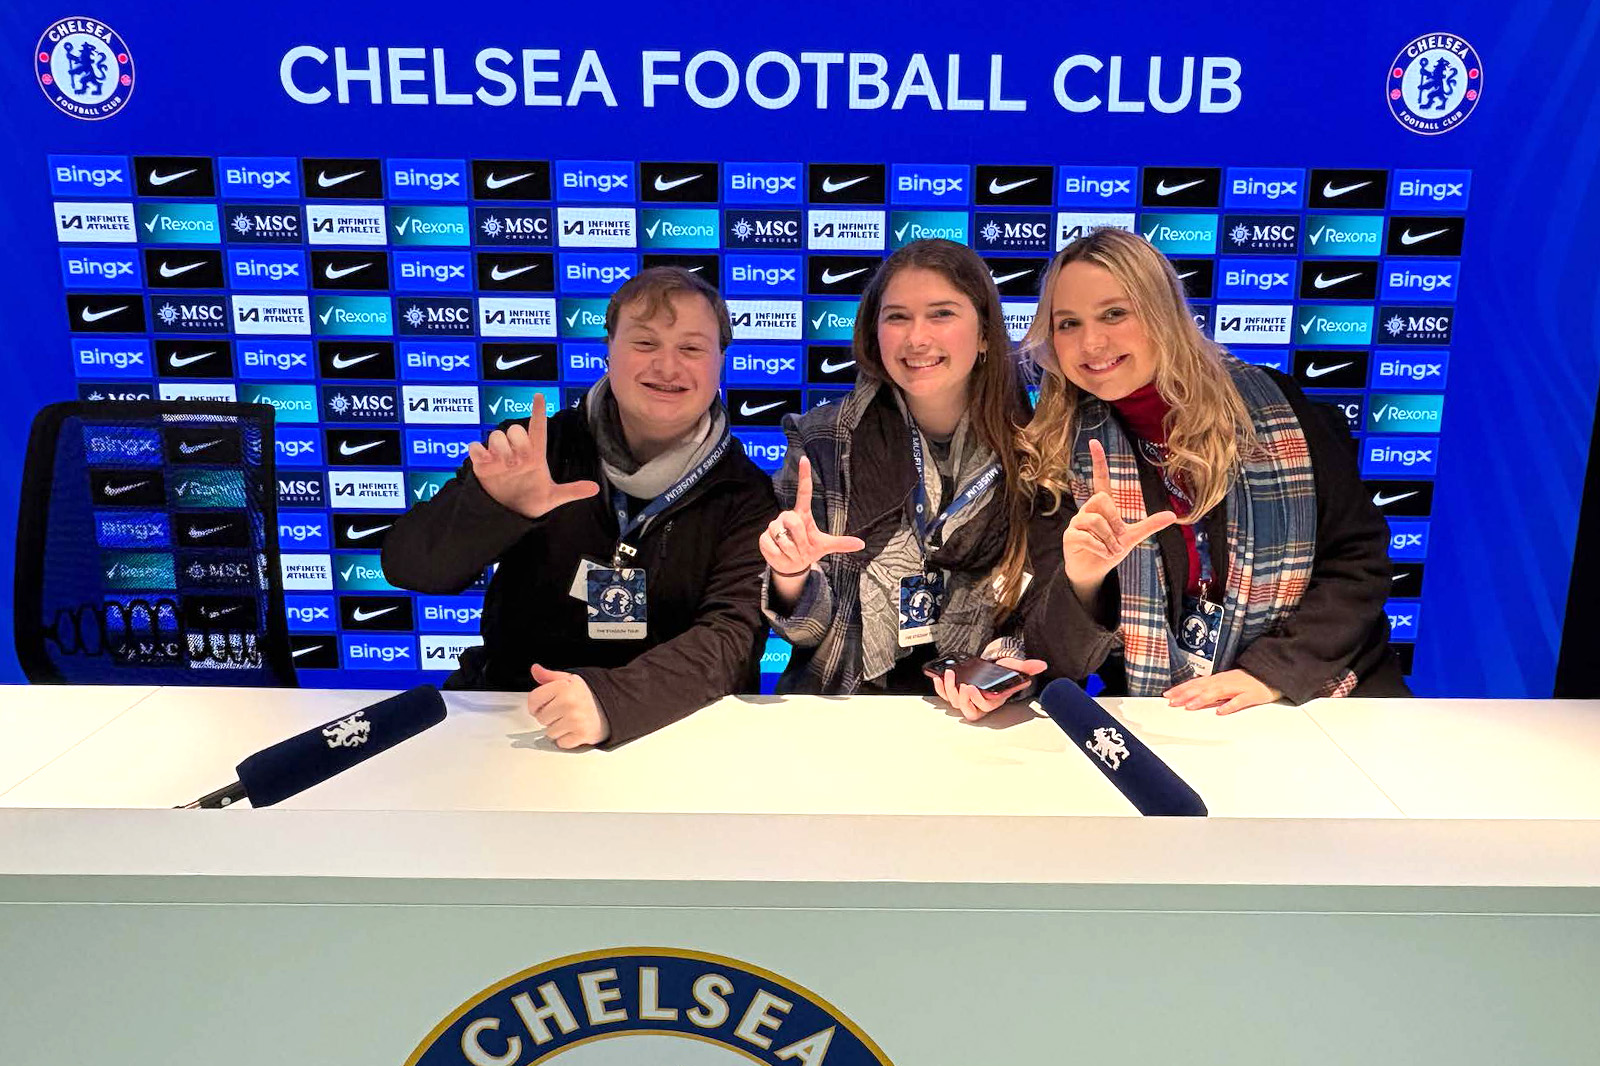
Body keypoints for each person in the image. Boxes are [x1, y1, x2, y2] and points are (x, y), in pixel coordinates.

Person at [1011, 227, 1407, 713]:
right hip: (1166, 713)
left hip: (1320, 694)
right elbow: (1055, 657)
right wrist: (1084, 582)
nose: (1091, 341)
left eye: (1114, 313)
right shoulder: (1054, 452)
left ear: (1162, 314)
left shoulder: (1285, 413)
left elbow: (1356, 562)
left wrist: (1274, 672)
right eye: (1067, 323)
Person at [382, 267, 777, 748]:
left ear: (720, 362)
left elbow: (731, 639)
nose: (668, 368)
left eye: (691, 349)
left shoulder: (745, 492)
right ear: (608, 352)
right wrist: (499, 509)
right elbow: (411, 568)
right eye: (645, 344)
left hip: (672, 724)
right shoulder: (538, 451)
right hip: (515, 718)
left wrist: (610, 702)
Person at [759, 239, 1046, 713]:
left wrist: (1003, 668)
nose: (916, 338)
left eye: (941, 314)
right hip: (846, 706)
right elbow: (803, 633)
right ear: (875, 334)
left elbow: (1032, 612)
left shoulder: (1036, 446)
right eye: (896, 317)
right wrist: (791, 574)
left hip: (979, 716)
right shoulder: (823, 441)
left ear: (984, 334)